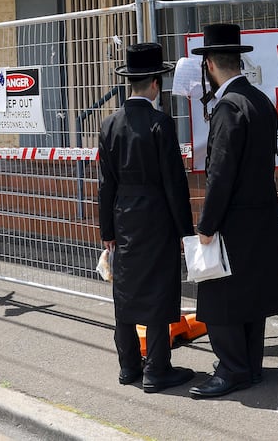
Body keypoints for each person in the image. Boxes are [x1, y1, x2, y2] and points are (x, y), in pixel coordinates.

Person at [188, 23, 278, 399]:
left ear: (211, 64)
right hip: (261, 212)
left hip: (233, 218)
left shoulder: (229, 108)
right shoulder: (261, 100)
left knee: (222, 297)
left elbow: (221, 173)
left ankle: (232, 370)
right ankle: (250, 366)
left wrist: (207, 223)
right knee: (252, 294)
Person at [98, 42, 196, 393]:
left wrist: (106, 230)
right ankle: (157, 368)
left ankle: (128, 366)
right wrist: (186, 232)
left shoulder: (109, 125)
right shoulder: (161, 124)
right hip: (157, 216)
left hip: (123, 216)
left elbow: (104, 184)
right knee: (158, 288)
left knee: (125, 290)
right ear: (155, 83)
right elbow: (174, 182)